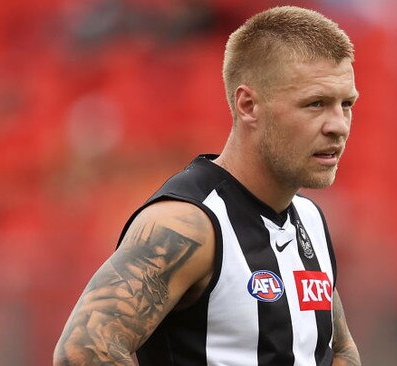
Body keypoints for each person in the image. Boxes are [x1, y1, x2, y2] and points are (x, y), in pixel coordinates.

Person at [53, 5, 361, 366]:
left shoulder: (308, 219)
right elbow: (84, 351)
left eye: (346, 104)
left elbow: (337, 349)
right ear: (248, 106)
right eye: (316, 104)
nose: (338, 125)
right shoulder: (188, 223)